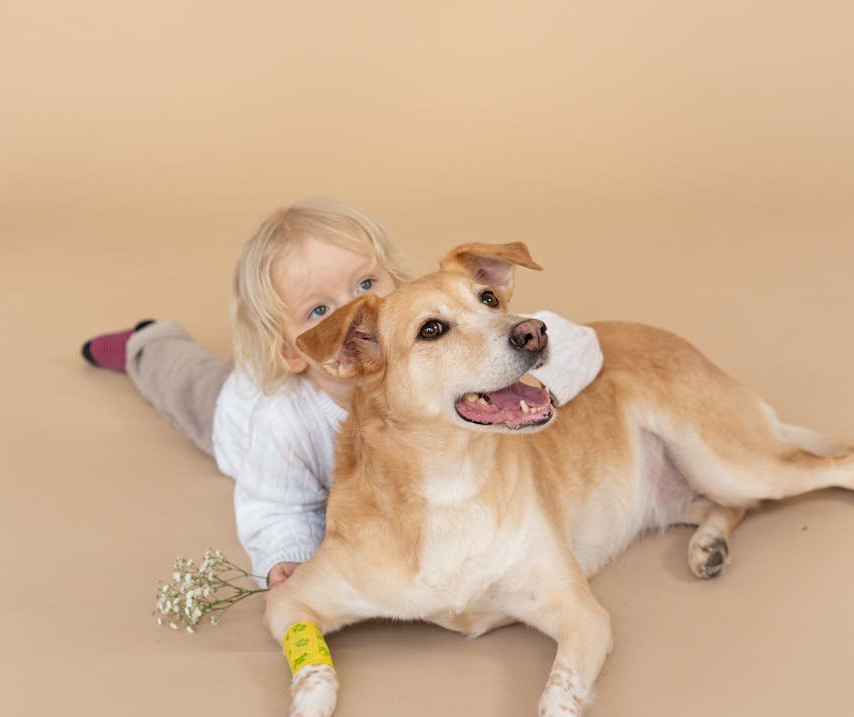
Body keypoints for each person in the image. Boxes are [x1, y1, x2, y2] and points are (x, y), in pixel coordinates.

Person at [81, 199, 603, 589]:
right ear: (293, 350)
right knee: (181, 378)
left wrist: (522, 389)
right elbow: (274, 505)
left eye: (365, 284)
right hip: (230, 409)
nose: (350, 314)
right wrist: (289, 558)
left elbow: (578, 341)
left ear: (398, 283)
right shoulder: (282, 419)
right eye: (317, 312)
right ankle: (146, 343)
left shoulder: (430, 348)